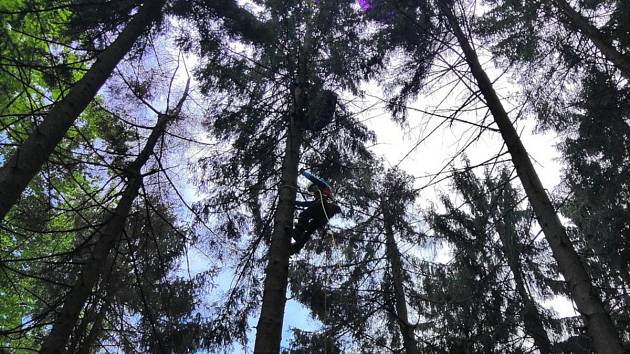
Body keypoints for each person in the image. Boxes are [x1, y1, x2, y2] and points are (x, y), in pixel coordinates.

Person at [289, 169, 341, 255]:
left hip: (325, 209)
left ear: (315, 186)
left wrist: (304, 173)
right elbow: (307, 204)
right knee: (309, 230)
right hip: (323, 216)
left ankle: (298, 231)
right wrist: (294, 203)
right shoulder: (318, 200)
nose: (313, 193)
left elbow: (313, 179)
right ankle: (295, 247)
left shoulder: (324, 188)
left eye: (313, 189)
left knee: (305, 214)